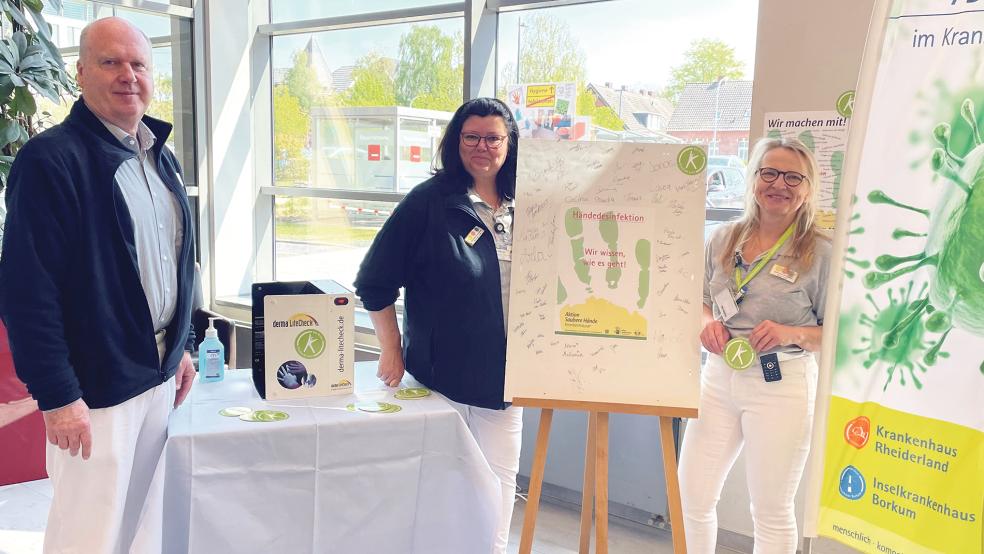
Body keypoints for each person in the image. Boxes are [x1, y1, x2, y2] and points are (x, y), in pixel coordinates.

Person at [0, 17, 196, 554]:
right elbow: (26, 290)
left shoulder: (160, 156)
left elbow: (175, 265)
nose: (127, 75)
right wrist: (59, 397)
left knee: (142, 527)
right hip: (95, 393)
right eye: (111, 62)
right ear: (81, 73)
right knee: (88, 534)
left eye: (138, 64)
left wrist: (180, 347)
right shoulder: (51, 161)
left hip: (156, 380)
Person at [354, 97, 522, 554]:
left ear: (510, 144)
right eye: (472, 136)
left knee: (499, 488)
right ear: (455, 142)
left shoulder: (528, 204)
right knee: (444, 490)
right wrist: (391, 347)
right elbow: (374, 281)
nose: (482, 146)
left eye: (493, 137)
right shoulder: (429, 203)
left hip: (507, 381)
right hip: (442, 379)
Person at [678, 137, 831, 553]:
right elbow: (701, 300)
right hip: (720, 377)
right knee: (692, 495)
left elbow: (839, 332)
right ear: (754, 178)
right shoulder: (723, 238)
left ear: (807, 188)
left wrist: (792, 333)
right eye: (769, 172)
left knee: (770, 508)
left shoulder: (821, 252)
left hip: (780, 380)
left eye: (792, 177)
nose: (778, 184)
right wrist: (707, 323)